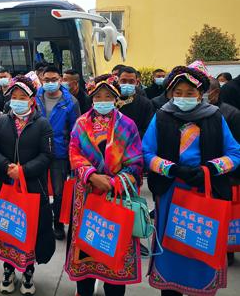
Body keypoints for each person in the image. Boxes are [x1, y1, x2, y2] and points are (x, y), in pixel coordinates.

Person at [143, 65, 240, 296]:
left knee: (200, 244)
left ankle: (200, 286)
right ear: (170, 93)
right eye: (178, 92)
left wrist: (209, 168)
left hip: (205, 191)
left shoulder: (215, 117)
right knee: (172, 246)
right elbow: (147, 153)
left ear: (201, 93)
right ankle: (170, 287)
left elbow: (235, 154)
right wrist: (172, 169)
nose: (183, 97)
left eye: (190, 93)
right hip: (171, 192)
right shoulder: (161, 116)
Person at [66, 74, 143, 296]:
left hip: (117, 194)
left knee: (115, 242)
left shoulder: (127, 126)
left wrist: (116, 181)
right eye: (98, 96)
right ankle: (84, 289)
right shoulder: (81, 123)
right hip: (87, 193)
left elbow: (136, 161)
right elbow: (74, 152)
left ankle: (114, 289)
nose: (102, 100)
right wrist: (90, 174)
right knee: (87, 242)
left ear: (116, 98)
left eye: (107, 96)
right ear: (91, 98)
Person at [0, 75, 55, 296]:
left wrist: (23, 170)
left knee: (29, 231)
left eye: (22, 97)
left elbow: (47, 155)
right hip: (5, 185)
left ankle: (28, 272)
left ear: (32, 99)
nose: (17, 101)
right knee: (6, 227)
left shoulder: (42, 124)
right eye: (13, 97)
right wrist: (6, 166)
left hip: (33, 187)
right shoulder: (3, 121)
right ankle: (8, 270)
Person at [36, 65, 79, 241]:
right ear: (42, 79)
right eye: (47, 80)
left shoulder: (70, 102)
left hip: (59, 152)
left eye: (54, 80)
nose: (51, 83)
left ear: (60, 80)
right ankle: (40, 222)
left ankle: (58, 224)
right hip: (37, 150)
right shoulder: (35, 97)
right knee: (39, 189)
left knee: (59, 191)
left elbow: (76, 130)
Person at [207, 77, 240, 266]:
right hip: (201, 179)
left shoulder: (230, 114)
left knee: (227, 219)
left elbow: (236, 149)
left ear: (216, 92)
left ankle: (226, 253)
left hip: (225, 176)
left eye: (205, 91)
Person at [117, 66, 155, 138]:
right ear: (118, 81)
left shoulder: (145, 103)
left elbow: (148, 129)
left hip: (136, 144)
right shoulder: (111, 102)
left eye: (131, 81)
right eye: (123, 81)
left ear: (136, 82)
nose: (127, 84)